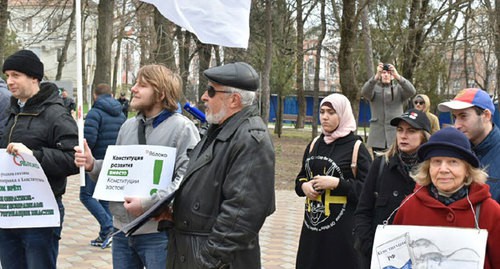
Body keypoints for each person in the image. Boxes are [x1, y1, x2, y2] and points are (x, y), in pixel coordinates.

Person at [74, 64, 200, 269]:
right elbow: (121, 170)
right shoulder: (128, 126)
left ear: (160, 93)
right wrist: (92, 166)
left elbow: (185, 181)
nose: (133, 89)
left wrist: (147, 204)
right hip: (122, 231)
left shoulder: (183, 128)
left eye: (142, 85)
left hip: (157, 234)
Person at [164, 62, 275, 269]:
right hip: (189, 251)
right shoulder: (219, 129)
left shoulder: (251, 139)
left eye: (211, 91)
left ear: (234, 100)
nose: (204, 97)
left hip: (214, 260)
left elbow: (241, 215)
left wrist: (206, 261)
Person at [0, 49, 79, 269]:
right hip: (10, 211)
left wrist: (34, 156)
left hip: (42, 213)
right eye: (7, 75)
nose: (10, 81)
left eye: (16, 75)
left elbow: (74, 159)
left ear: (34, 77)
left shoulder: (56, 114)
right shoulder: (11, 111)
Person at [393, 127, 500, 269]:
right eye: (437, 161)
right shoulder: (409, 206)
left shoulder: (490, 211)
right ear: (428, 168)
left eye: (453, 162)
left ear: (467, 170)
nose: (443, 169)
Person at [294, 93, 372, 269]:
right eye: (322, 112)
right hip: (313, 233)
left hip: (343, 236)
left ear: (343, 114)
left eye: (331, 112)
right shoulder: (315, 144)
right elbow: (300, 178)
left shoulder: (356, 148)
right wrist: (303, 186)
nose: (325, 117)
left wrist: (337, 184)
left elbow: (368, 191)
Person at [353, 108, 431, 268]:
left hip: (419, 258)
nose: (403, 135)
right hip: (378, 257)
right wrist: (368, 245)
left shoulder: (433, 171)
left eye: (411, 131)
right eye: (400, 130)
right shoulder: (381, 165)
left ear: (424, 136)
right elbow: (363, 209)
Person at [80, 83, 126, 248]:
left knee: (86, 195)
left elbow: (89, 139)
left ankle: (108, 227)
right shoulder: (121, 114)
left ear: (95, 95)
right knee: (106, 200)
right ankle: (105, 233)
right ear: (112, 94)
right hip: (114, 160)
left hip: (96, 161)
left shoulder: (95, 113)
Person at [438, 88, 500, 202]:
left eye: (463, 116)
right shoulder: (455, 149)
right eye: (455, 117)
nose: (456, 125)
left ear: (486, 115)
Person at [361, 62, 416, 152]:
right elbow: (364, 92)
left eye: (389, 73)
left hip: (395, 135)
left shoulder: (398, 89)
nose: (386, 75)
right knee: (379, 163)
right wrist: (376, 76)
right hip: (378, 136)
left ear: (392, 76)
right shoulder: (374, 89)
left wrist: (397, 76)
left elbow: (412, 91)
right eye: (383, 73)